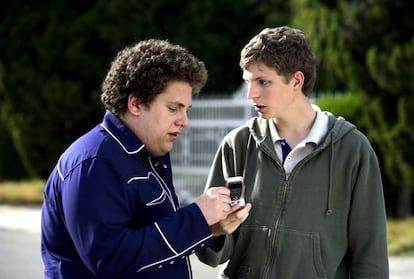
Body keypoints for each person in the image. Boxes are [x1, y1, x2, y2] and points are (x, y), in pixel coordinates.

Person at [41, 39, 243, 278]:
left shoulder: (147, 154)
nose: (184, 121)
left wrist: (210, 228)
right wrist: (195, 218)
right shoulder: (94, 162)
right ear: (135, 103)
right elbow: (110, 259)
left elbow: (156, 245)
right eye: (173, 108)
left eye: (186, 110)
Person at [196, 26, 389, 278]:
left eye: (263, 82)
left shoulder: (352, 151)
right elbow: (211, 254)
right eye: (249, 82)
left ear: (297, 80)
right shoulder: (238, 145)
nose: (251, 94)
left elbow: (370, 257)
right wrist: (217, 231)